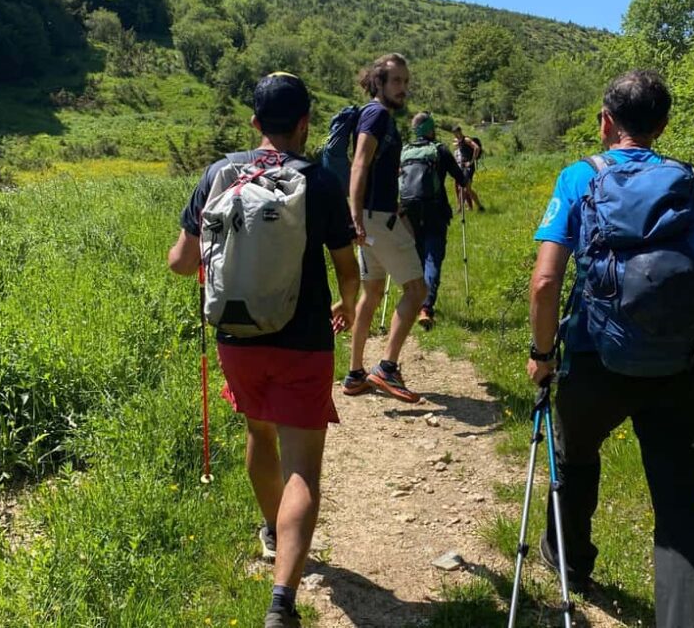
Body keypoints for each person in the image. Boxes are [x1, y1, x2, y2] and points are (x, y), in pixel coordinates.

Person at [527, 70, 694, 627]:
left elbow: (545, 281)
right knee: (680, 505)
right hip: (678, 365)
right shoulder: (691, 180)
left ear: (605, 122)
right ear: (663, 125)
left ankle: (569, 561)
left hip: (594, 358)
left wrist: (543, 355)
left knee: (574, 456)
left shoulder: (579, 177)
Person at [167, 73, 359, 628]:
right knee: (304, 469)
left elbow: (180, 262)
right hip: (303, 340)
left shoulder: (218, 174)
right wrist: (347, 305)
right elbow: (347, 268)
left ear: (254, 123)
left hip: (237, 335)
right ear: (305, 124)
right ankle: (282, 603)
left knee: (259, 433)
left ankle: (273, 530)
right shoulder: (319, 180)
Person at [342, 53, 427, 403]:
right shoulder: (376, 115)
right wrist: (356, 216)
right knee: (417, 290)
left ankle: (354, 374)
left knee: (373, 292)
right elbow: (359, 164)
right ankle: (387, 368)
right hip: (375, 219)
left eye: (406, 81)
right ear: (379, 82)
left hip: (374, 217)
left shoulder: (378, 115)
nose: (403, 88)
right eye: (396, 81)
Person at [401, 112, 468, 330]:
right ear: (430, 129)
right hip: (435, 211)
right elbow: (461, 179)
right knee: (433, 259)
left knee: (418, 258)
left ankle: (414, 301)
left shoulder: (405, 151)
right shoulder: (440, 150)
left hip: (409, 211)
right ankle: (426, 308)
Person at [452, 125, 484, 212]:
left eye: (456, 133)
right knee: (466, 188)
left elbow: (476, 148)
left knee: (463, 187)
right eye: (454, 134)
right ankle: (480, 207)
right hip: (463, 166)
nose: (455, 135)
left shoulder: (466, 140)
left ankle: (460, 209)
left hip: (468, 167)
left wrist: (471, 161)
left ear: (460, 132)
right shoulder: (460, 141)